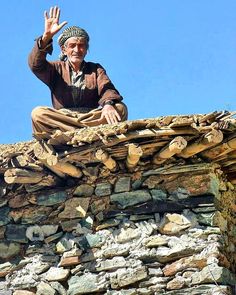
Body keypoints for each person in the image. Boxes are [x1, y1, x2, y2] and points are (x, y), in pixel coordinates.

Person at [29, 6, 128, 139]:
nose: (77, 49)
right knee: (38, 113)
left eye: (81, 46)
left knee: (120, 108)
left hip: (90, 117)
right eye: (72, 46)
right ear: (64, 49)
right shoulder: (56, 68)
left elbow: (107, 89)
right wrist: (46, 37)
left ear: (86, 50)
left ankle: (73, 133)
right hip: (63, 118)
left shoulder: (95, 69)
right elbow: (36, 65)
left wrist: (108, 104)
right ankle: (85, 132)